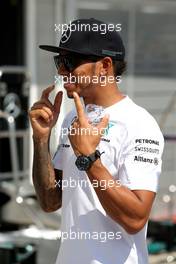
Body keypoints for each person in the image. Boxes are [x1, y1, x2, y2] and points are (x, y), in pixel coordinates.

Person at [28, 18, 164, 264]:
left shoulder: (139, 123)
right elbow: (50, 202)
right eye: (59, 61)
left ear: (105, 66)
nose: (61, 71)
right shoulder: (72, 119)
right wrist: (41, 140)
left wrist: (90, 160)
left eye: (69, 62)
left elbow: (136, 219)